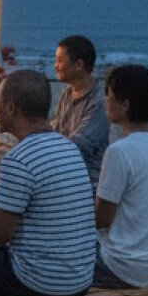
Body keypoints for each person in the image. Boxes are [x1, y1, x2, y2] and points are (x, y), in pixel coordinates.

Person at [0, 70, 96, 296]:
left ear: (11, 108)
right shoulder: (69, 148)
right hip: (80, 279)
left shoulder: (19, 159)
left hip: (37, 281)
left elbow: (0, 234)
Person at [93, 66, 148, 289]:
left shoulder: (120, 151)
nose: (105, 100)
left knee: (52, 255)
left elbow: (100, 219)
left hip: (124, 268)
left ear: (125, 105)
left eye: (110, 95)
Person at [52, 36, 110, 186]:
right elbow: (56, 128)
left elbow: (79, 145)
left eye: (60, 60)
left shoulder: (99, 101)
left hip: (87, 183)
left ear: (78, 64)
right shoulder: (67, 93)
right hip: (64, 175)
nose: (55, 66)